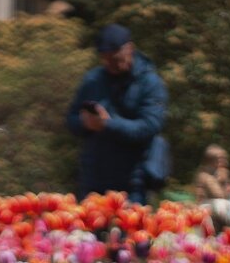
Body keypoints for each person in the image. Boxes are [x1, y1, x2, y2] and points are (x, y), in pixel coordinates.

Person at [66, 24, 168, 205]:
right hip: (93, 178)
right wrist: (85, 123)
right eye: (106, 60)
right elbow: (71, 119)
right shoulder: (93, 80)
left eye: (115, 59)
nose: (111, 65)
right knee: (88, 233)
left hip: (133, 181)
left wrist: (109, 124)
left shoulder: (150, 83)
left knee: (130, 232)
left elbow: (150, 126)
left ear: (129, 48)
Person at [194, 145, 230, 227]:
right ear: (211, 160)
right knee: (222, 205)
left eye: (224, 158)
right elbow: (217, 194)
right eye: (221, 159)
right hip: (207, 204)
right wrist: (221, 183)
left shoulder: (223, 172)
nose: (224, 161)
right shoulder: (204, 175)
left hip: (225, 201)